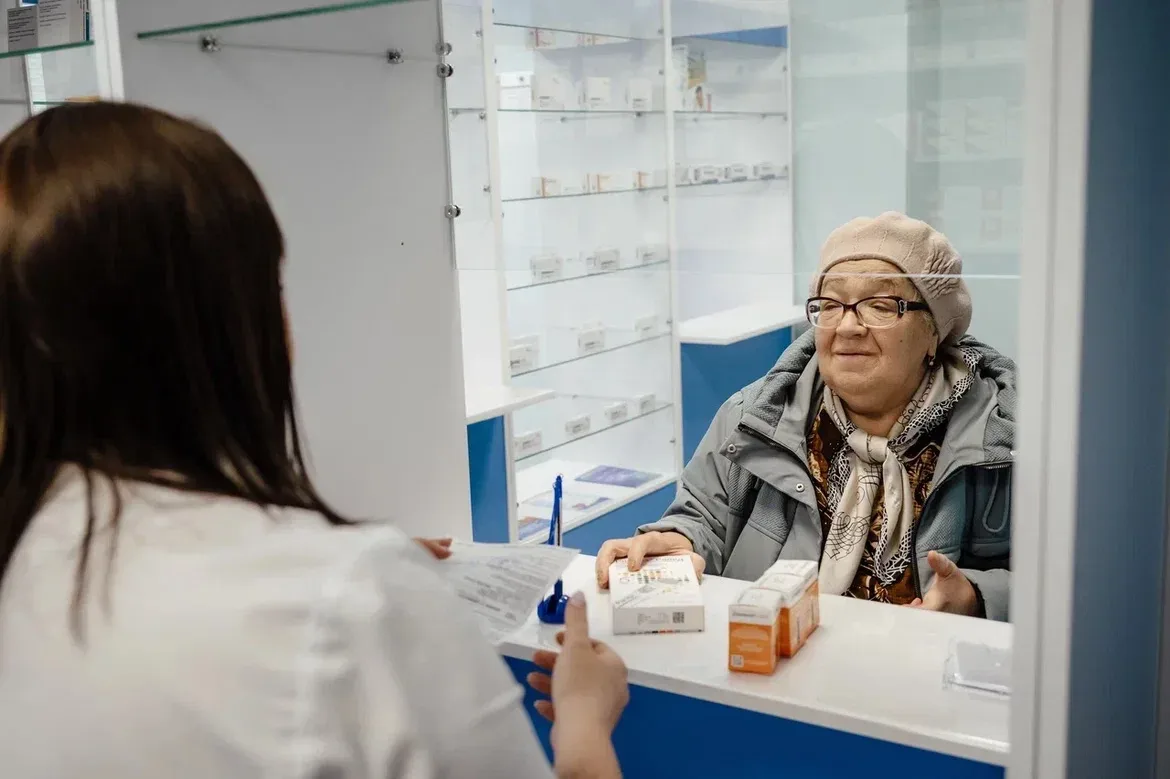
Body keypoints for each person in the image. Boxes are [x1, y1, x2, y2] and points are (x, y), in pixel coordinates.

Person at [0, 102, 628, 778]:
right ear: (230, 329)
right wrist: (584, 722)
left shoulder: (30, 552)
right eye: (270, 288)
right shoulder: (350, 601)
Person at [597, 212, 1014, 621]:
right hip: (779, 656)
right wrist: (679, 539)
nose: (848, 326)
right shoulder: (754, 418)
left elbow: (1050, 580)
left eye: (880, 305)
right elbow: (702, 518)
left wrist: (977, 597)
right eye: (830, 305)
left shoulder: (1002, 438)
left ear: (934, 332)